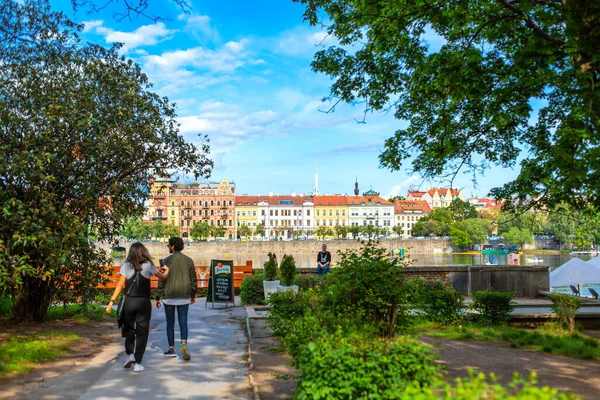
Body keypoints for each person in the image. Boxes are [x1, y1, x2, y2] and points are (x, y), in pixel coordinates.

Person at [105, 242, 169, 373]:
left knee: (129, 329)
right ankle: (138, 363)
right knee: (142, 332)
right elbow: (163, 277)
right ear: (143, 252)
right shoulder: (149, 266)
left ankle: (130, 354)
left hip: (129, 302)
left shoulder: (126, 266)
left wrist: (111, 301)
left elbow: (120, 285)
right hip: (144, 302)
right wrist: (166, 271)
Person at [155, 237, 197, 360]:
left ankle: (171, 349)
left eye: (169, 245)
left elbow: (162, 280)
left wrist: (158, 296)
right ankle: (183, 343)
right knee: (183, 321)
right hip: (184, 295)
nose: (168, 247)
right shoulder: (189, 261)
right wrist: (193, 295)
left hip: (169, 296)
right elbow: (193, 279)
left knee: (170, 322)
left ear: (173, 246)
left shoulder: (165, 261)